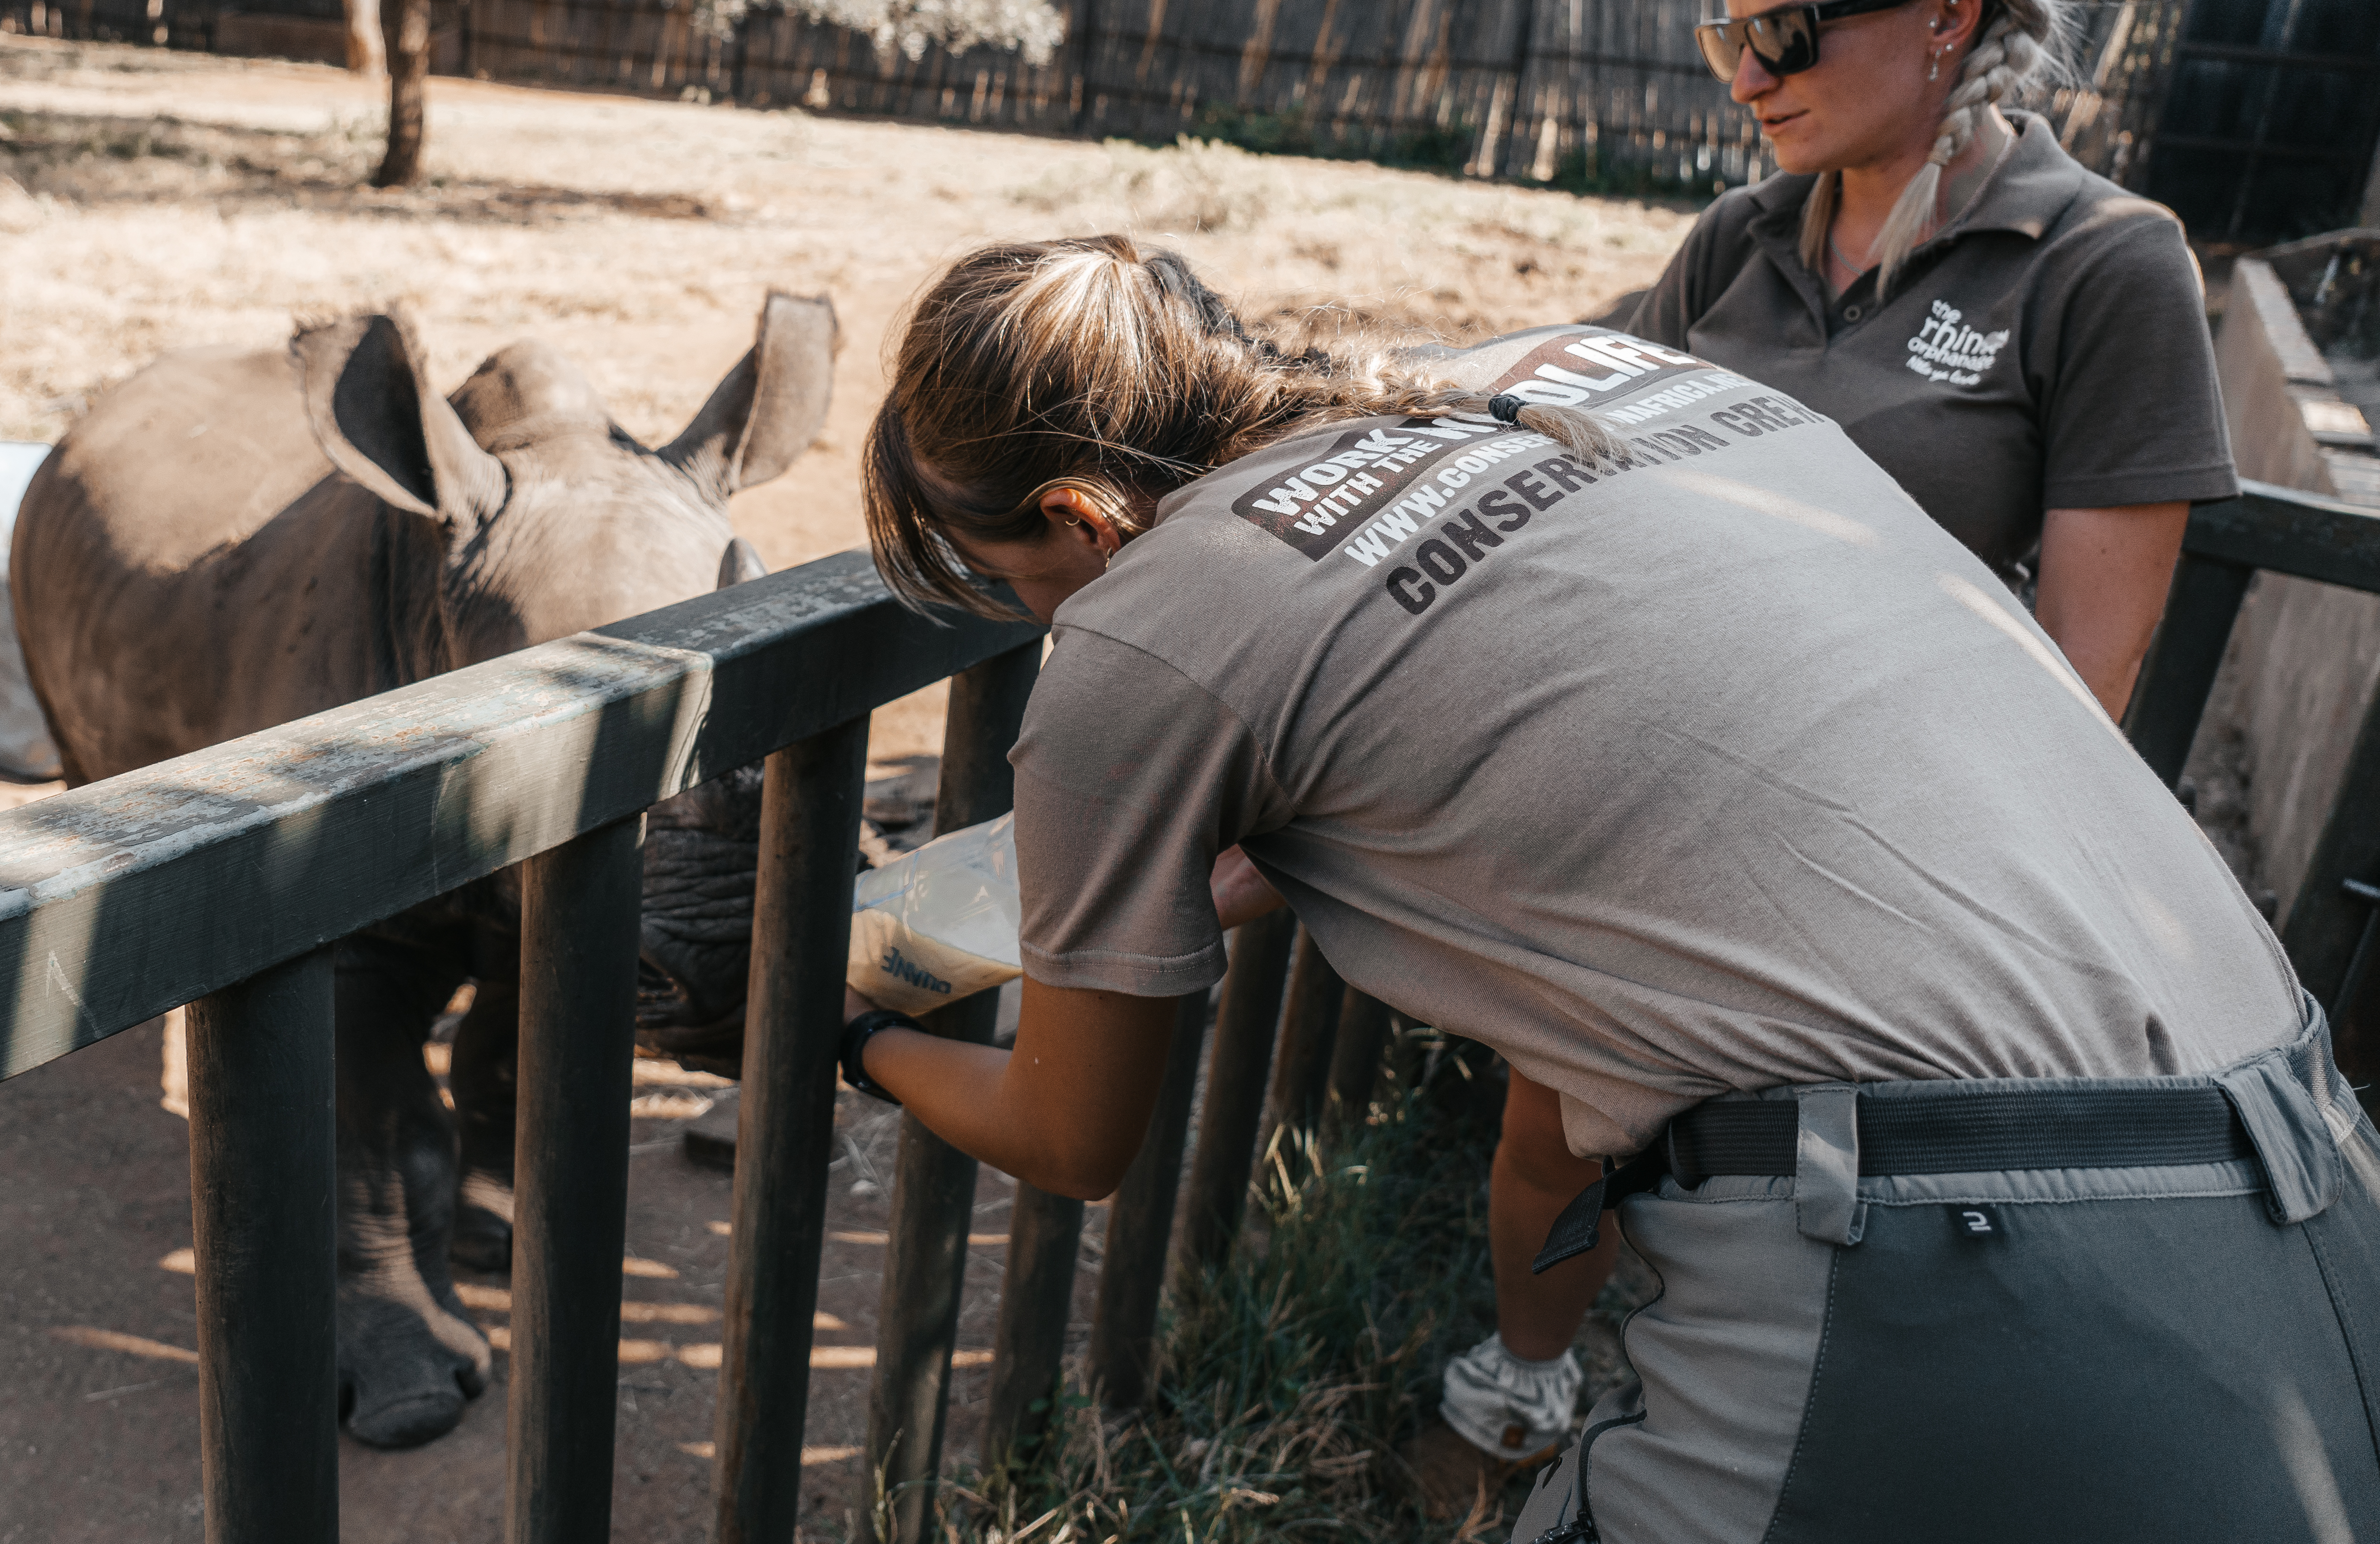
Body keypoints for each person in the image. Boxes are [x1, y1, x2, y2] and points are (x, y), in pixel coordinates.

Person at [838, 233, 2375, 1543]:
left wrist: (859, 1035)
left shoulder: (1148, 620)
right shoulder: (1589, 375)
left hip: (1962, 1258)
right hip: (2311, 1168)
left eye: (1008, 589)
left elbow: (1074, 1135)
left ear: (1080, 522)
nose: (1038, 623)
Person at [1446, 0, 2250, 1492]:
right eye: (1726, 32)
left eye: (1789, 31)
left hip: (1895, 848)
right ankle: (1531, 1381)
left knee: (1794, 1204)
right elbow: (1539, 427)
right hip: (1658, 794)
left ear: (1947, 17)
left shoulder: (2104, 264)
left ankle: (1739, 1461)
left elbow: (2082, 682)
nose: (1748, 72)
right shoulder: (1742, 244)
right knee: (1554, 1133)